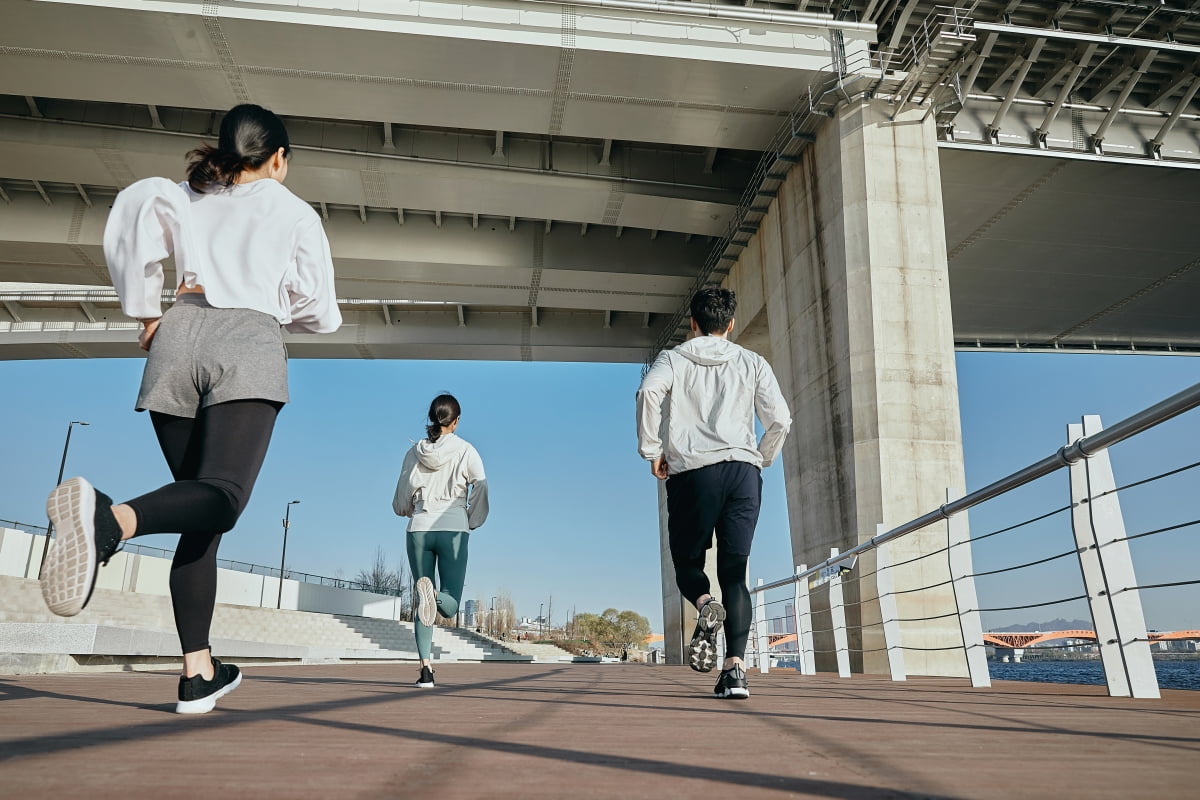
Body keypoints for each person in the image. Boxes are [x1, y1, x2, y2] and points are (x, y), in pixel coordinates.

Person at [39, 104, 341, 714]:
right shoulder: (298, 214)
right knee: (224, 497)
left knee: (198, 513)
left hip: (177, 337)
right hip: (248, 340)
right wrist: (275, 309)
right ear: (278, 157)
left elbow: (129, 229)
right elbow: (322, 313)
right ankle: (110, 520)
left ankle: (197, 673)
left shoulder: (182, 193)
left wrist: (149, 312)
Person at [636, 287, 791, 700]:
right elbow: (781, 419)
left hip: (694, 474)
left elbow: (648, 393)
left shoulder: (673, 358)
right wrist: (761, 458)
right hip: (744, 473)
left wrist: (652, 451)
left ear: (692, 323)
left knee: (687, 563)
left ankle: (705, 604)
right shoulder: (752, 361)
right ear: (731, 325)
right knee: (735, 575)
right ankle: (734, 672)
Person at [393, 394, 489, 688]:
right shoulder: (466, 451)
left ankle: (425, 671)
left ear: (433, 419)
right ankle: (431, 595)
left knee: (423, 603)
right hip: (453, 528)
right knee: (448, 604)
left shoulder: (414, 453)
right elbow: (482, 490)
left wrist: (411, 510)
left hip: (419, 529)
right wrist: (470, 521)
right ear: (456, 421)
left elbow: (400, 500)